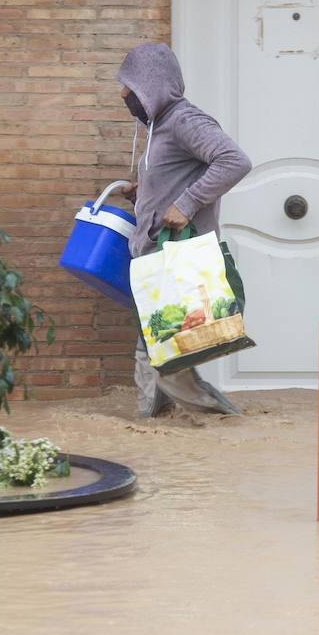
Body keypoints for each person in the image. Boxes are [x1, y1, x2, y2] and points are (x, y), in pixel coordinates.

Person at [111, 43, 253, 418]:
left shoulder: (184, 121)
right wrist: (144, 193)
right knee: (159, 345)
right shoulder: (159, 128)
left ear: (151, 85)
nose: (123, 95)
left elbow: (234, 161)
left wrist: (186, 204)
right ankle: (160, 420)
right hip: (155, 257)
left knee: (161, 351)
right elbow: (176, 176)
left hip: (174, 255)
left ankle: (210, 420)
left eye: (129, 86)